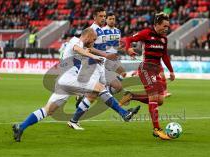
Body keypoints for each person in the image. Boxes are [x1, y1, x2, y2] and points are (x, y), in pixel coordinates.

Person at [12, 28, 140, 142]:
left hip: (63, 82)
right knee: (99, 88)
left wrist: (99, 57)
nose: (94, 42)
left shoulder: (81, 46)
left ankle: (21, 127)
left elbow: (85, 54)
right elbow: (78, 49)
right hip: (68, 79)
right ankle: (124, 114)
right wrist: (92, 56)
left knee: (48, 110)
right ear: (88, 36)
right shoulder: (75, 41)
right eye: (93, 39)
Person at [68, 6, 138, 130]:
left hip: (100, 63)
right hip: (91, 64)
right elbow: (87, 47)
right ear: (94, 17)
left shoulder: (101, 30)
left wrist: (119, 51)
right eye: (101, 16)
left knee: (94, 95)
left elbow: (102, 48)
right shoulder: (92, 30)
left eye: (104, 16)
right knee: (105, 89)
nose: (103, 18)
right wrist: (105, 55)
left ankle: (74, 120)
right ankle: (124, 113)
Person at [120, 12, 175, 140]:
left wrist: (171, 71)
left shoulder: (164, 39)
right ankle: (157, 129)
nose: (166, 29)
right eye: (164, 26)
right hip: (146, 68)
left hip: (156, 71)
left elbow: (165, 56)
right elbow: (129, 39)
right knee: (154, 96)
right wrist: (128, 48)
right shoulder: (146, 33)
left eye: (168, 26)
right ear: (156, 24)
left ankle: (131, 96)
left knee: (160, 100)